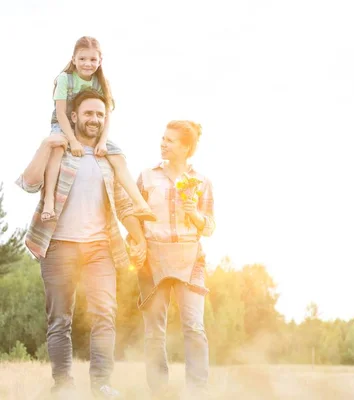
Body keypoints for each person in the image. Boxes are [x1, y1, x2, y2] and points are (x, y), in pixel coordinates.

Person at [15, 87, 146, 399]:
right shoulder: (58, 148)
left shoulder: (109, 154)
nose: (95, 119)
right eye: (88, 113)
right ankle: (63, 386)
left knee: (105, 315)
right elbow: (29, 183)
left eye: (100, 114)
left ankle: (101, 384)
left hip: (100, 248)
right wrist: (46, 144)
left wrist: (139, 239)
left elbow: (124, 204)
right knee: (60, 319)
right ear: (73, 116)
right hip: (59, 246)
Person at [132, 120, 215, 398]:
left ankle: (197, 392)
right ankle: (158, 391)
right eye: (163, 138)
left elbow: (210, 227)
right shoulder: (145, 177)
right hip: (152, 260)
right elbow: (132, 216)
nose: (163, 143)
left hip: (190, 260)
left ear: (186, 147)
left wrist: (194, 213)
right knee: (155, 330)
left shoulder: (202, 182)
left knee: (194, 326)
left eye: (170, 140)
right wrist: (136, 244)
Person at [41, 36, 155, 223]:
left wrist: (102, 141)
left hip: (90, 126)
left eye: (93, 59)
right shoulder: (64, 79)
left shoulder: (101, 82)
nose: (88, 64)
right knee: (56, 149)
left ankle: (140, 202)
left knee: (116, 154)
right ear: (74, 60)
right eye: (83, 59)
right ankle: (49, 201)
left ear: (100, 61)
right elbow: (61, 113)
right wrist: (72, 140)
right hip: (64, 125)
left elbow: (107, 115)